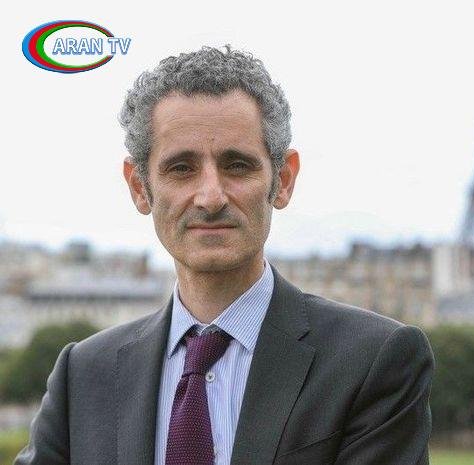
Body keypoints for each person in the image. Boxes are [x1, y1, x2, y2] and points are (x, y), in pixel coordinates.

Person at [15, 45, 435, 465]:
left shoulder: (372, 360)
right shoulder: (83, 375)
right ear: (140, 187)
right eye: (181, 168)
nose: (211, 196)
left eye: (237, 166)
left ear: (283, 180)